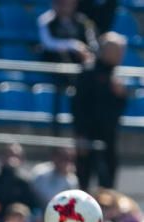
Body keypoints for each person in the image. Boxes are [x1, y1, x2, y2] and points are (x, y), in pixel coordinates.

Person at [72, 32, 128, 190]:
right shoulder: (89, 72)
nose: (121, 55)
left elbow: (119, 108)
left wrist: (121, 95)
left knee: (108, 181)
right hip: (88, 134)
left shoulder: (115, 76)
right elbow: (78, 105)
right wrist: (80, 134)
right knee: (84, 178)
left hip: (108, 135)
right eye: (117, 51)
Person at [0, 143, 38, 222]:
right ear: (1, 157)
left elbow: (30, 205)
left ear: (22, 159)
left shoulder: (25, 180)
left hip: (18, 220)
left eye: (16, 156)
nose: (12, 159)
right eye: (8, 155)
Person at [38, 0, 98, 64]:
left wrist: (87, 53)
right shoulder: (45, 20)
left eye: (67, 3)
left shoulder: (83, 21)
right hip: (53, 62)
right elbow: (48, 43)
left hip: (80, 63)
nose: (64, 6)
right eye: (61, 2)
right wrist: (74, 46)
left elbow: (92, 44)